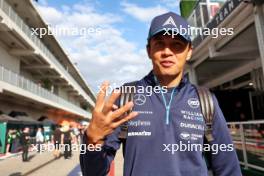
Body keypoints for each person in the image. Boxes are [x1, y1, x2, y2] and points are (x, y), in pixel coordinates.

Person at [80, 12, 242, 176]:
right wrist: (93, 140)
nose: (167, 52)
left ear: (189, 52)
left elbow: (228, 168)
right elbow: (93, 172)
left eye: (177, 44)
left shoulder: (205, 100)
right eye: (159, 44)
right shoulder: (127, 96)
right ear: (149, 50)